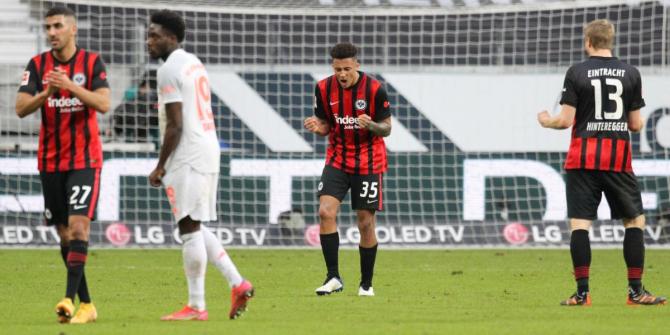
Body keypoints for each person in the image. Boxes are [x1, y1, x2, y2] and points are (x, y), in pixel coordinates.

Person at [537, 19, 666, 306]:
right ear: (611, 40)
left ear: (588, 41)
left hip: (582, 159)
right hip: (617, 160)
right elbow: (635, 125)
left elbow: (565, 121)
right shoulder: (631, 73)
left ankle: (582, 294)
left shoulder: (577, 72)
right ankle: (636, 292)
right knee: (634, 221)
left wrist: (546, 121)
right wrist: (640, 119)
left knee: (580, 225)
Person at [146, 9, 254, 321]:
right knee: (194, 222)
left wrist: (160, 165)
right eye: (148, 35)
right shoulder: (193, 62)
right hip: (207, 146)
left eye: (154, 35)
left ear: (171, 37)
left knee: (188, 226)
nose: (148, 41)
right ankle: (237, 282)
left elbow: (174, 125)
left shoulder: (168, 70)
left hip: (188, 152)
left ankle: (196, 306)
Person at [15, 6, 110, 324]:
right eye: (48, 27)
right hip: (50, 161)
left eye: (57, 26)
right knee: (64, 234)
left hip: (85, 160)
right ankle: (87, 304)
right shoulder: (38, 64)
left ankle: (68, 300)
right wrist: (48, 92)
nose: (52, 32)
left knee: (79, 226)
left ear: (73, 30)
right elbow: (21, 108)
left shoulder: (92, 62)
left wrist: (71, 87)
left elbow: (104, 103)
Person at [304, 42, 392, 297]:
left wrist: (372, 125)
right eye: (337, 69)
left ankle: (366, 284)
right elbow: (326, 126)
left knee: (365, 223)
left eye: (346, 69)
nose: (341, 74)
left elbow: (387, 128)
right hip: (338, 159)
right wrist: (316, 126)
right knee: (325, 212)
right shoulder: (323, 88)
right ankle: (333, 277)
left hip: (368, 162)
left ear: (357, 65)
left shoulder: (375, 89)